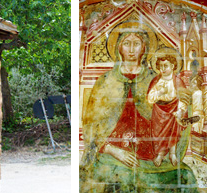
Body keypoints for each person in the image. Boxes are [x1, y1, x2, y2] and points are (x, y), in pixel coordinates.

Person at [80, 22, 196, 192]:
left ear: (144, 48)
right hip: (113, 153)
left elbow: (174, 112)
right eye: (127, 43)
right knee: (119, 178)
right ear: (119, 48)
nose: (132, 49)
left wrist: (182, 101)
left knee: (185, 175)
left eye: (137, 43)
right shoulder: (105, 81)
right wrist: (112, 150)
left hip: (153, 152)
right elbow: (91, 124)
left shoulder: (156, 79)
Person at [147, 54, 188, 167]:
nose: (163, 69)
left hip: (174, 109)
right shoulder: (156, 81)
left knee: (173, 132)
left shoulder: (178, 81)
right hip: (159, 111)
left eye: (166, 66)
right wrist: (160, 93)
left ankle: (172, 154)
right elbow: (150, 98)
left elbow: (184, 98)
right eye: (160, 66)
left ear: (173, 66)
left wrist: (180, 110)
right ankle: (160, 155)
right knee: (159, 133)